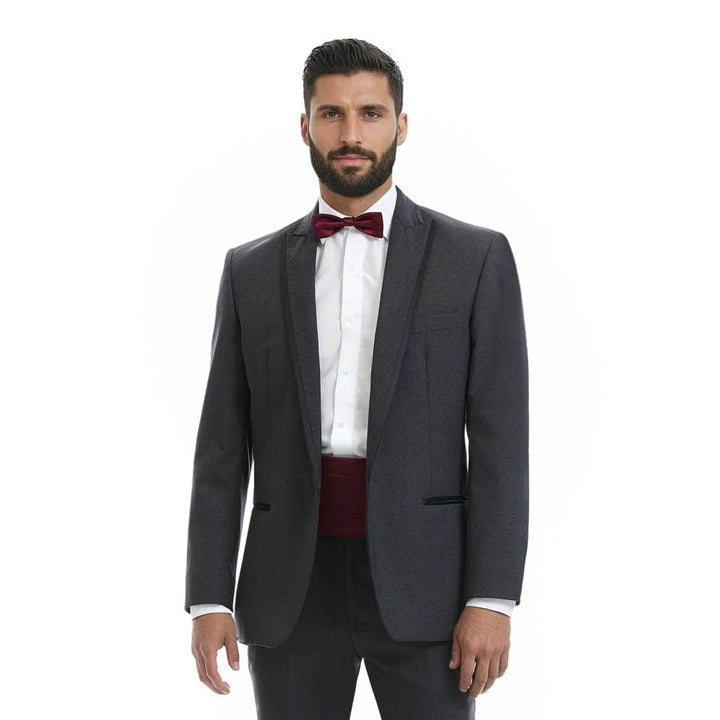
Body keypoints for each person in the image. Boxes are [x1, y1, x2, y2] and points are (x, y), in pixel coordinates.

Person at [184, 38, 529, 720]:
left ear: (401, 125)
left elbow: (501, 441)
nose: (351, 133)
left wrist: (492, 598)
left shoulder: (475, 258)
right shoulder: (249, 270)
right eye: (331, 113)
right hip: (289, 586)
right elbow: (221, 449)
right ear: (305, 126)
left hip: (429, 587)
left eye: (370, 113)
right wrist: (209, 597)